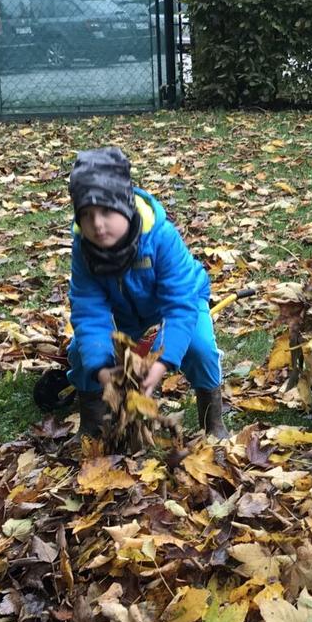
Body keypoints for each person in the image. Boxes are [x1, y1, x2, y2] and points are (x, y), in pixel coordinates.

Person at [65, 146, 227, 440]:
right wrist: (103, 372)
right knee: (81, 351)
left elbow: (180, 306)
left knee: (200, 347)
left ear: (125, 205)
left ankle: (212, 420)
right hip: (124, 315)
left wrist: (162, 362)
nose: (97, 225)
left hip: (180, 306)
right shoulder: (84, 249)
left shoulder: (161, 238)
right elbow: (89, 311)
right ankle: (91, 423)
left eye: (106, 211)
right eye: (86, 215)